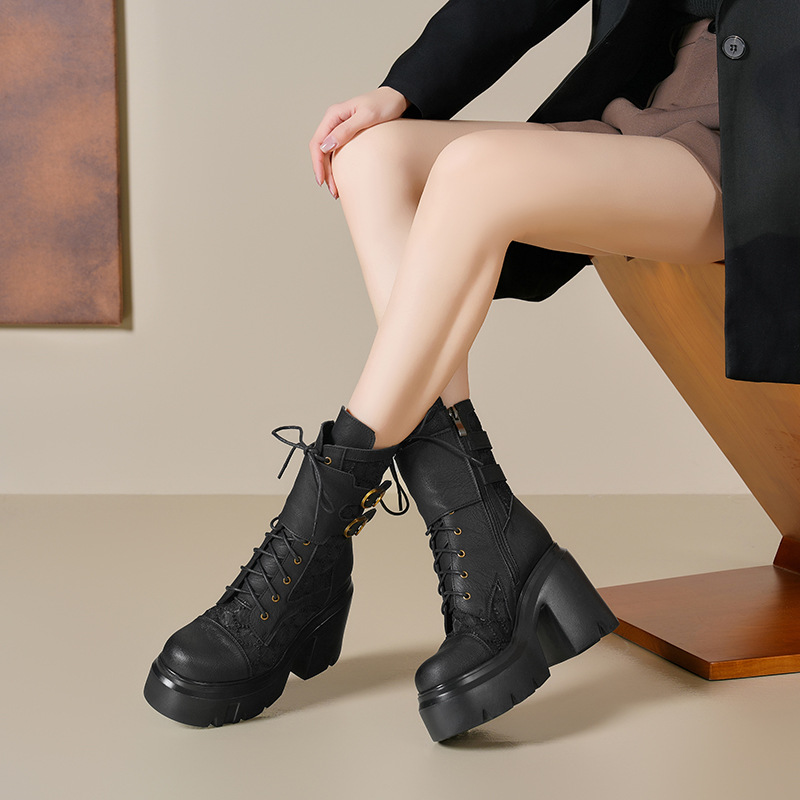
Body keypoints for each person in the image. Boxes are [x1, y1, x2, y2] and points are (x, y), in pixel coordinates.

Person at [143, 0, 767, 741]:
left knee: (475, 172)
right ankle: (482, 525)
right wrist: (403, 90)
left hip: (763, 141)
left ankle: (308, 545)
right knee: (372, 155)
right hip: (650, 107)